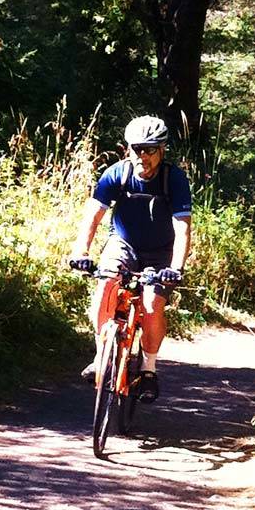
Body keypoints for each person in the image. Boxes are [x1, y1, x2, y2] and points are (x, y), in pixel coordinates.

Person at [69, 115, 192, 403]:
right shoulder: (116, 174)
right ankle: (102, 356)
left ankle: (148, 369)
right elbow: (93, 216)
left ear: (162, 150)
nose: (143, 156)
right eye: (137, 149)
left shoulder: (173, 178)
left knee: (151, 306)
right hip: (122, 244)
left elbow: (183, 226)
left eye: (150, 149)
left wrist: (175, 268)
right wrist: (80, 252)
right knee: (105, 286)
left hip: (160, 251)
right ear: (129, 149)